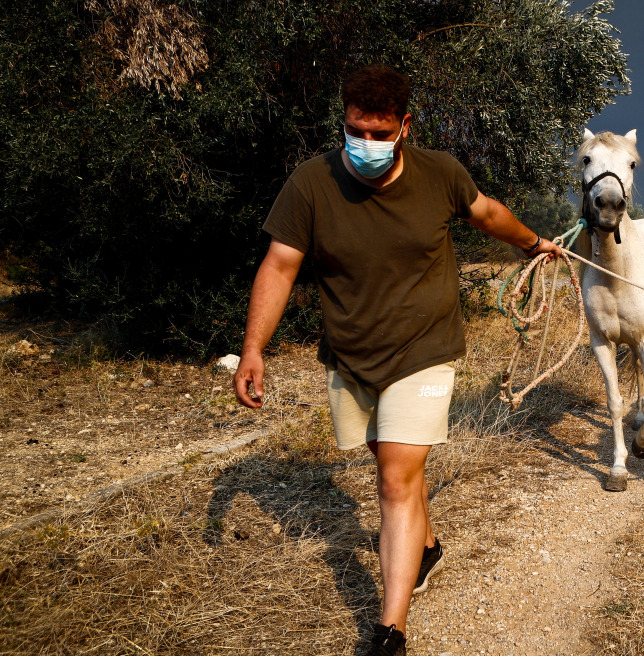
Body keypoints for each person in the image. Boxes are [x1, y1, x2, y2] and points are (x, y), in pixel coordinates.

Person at [232, 63, 561, 656]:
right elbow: (280, 265)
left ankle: (391, 631)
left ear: (405, 127)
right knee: (391, 463)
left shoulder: (441, 175)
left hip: (425, 348)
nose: (367, 145)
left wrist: (535, 243)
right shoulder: (310, 184)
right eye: (356, 130)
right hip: (351, 355)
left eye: (381, 134)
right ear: (344, 123)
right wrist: (253, 349)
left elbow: (487, 214)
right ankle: (427, 546)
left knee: (392, 479)